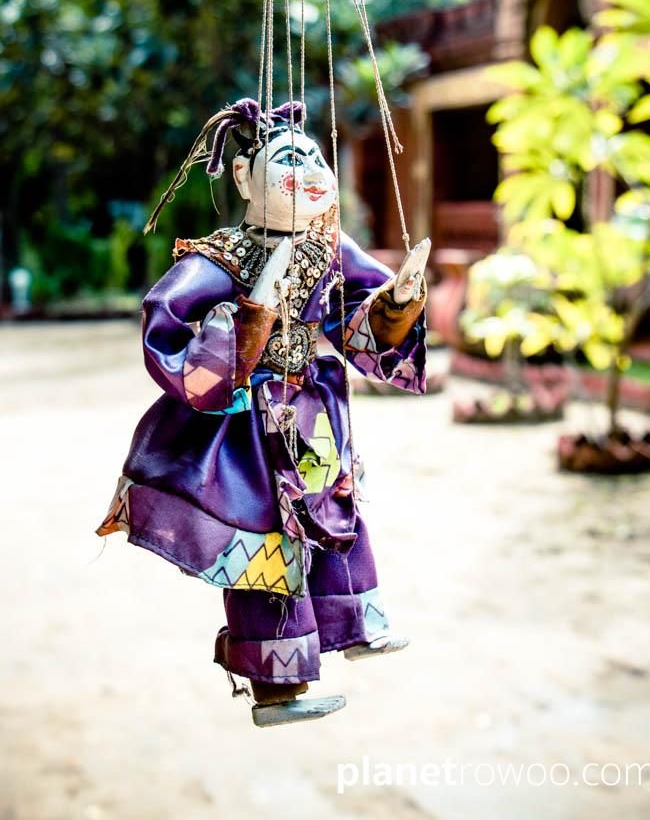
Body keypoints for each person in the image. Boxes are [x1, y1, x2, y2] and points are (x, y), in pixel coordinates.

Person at [97, 98, 430, 725]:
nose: (307, 168)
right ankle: (275, 686)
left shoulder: (327, 249)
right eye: (287, 159)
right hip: (246, 425)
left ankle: (353, 622)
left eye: (314, 157)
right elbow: (168, 332)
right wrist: (251, 315)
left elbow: (360, 320)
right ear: (247, 180)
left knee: (334, 513)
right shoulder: (220, 256)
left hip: (312, 411)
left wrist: (399, 301)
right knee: (262, 546)